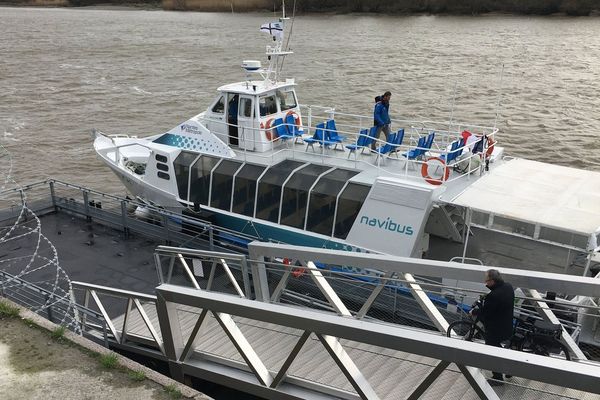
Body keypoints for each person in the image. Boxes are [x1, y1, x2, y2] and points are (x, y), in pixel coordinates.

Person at [477, 269, 515, 386]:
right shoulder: (508, 287)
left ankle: (497, 378)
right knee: (499, 349)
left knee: (492, 351)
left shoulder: (493, 295)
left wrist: (477, 313)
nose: (486, 283)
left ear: (492, 281)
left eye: (487, 281)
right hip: (507, 325)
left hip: (495, 330)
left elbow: (487, 314)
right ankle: (509, 369)